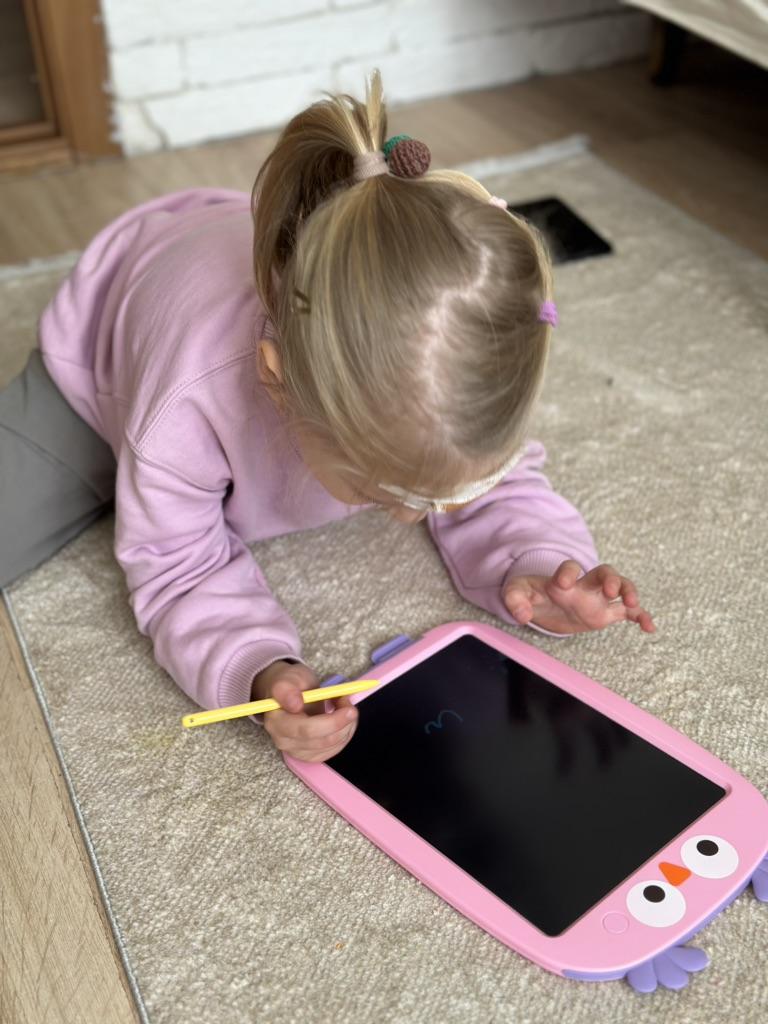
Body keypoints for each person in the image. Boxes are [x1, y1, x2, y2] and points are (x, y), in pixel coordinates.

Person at [0, 69, 654, 763]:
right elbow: (176, 566)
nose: (410, 516)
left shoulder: (455, 376)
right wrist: (257, 668)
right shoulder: (184, 404)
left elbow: (500, 482)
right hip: (101, 355)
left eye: (442, 493)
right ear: (278, 383)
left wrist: (540, 566)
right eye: (385, 489)